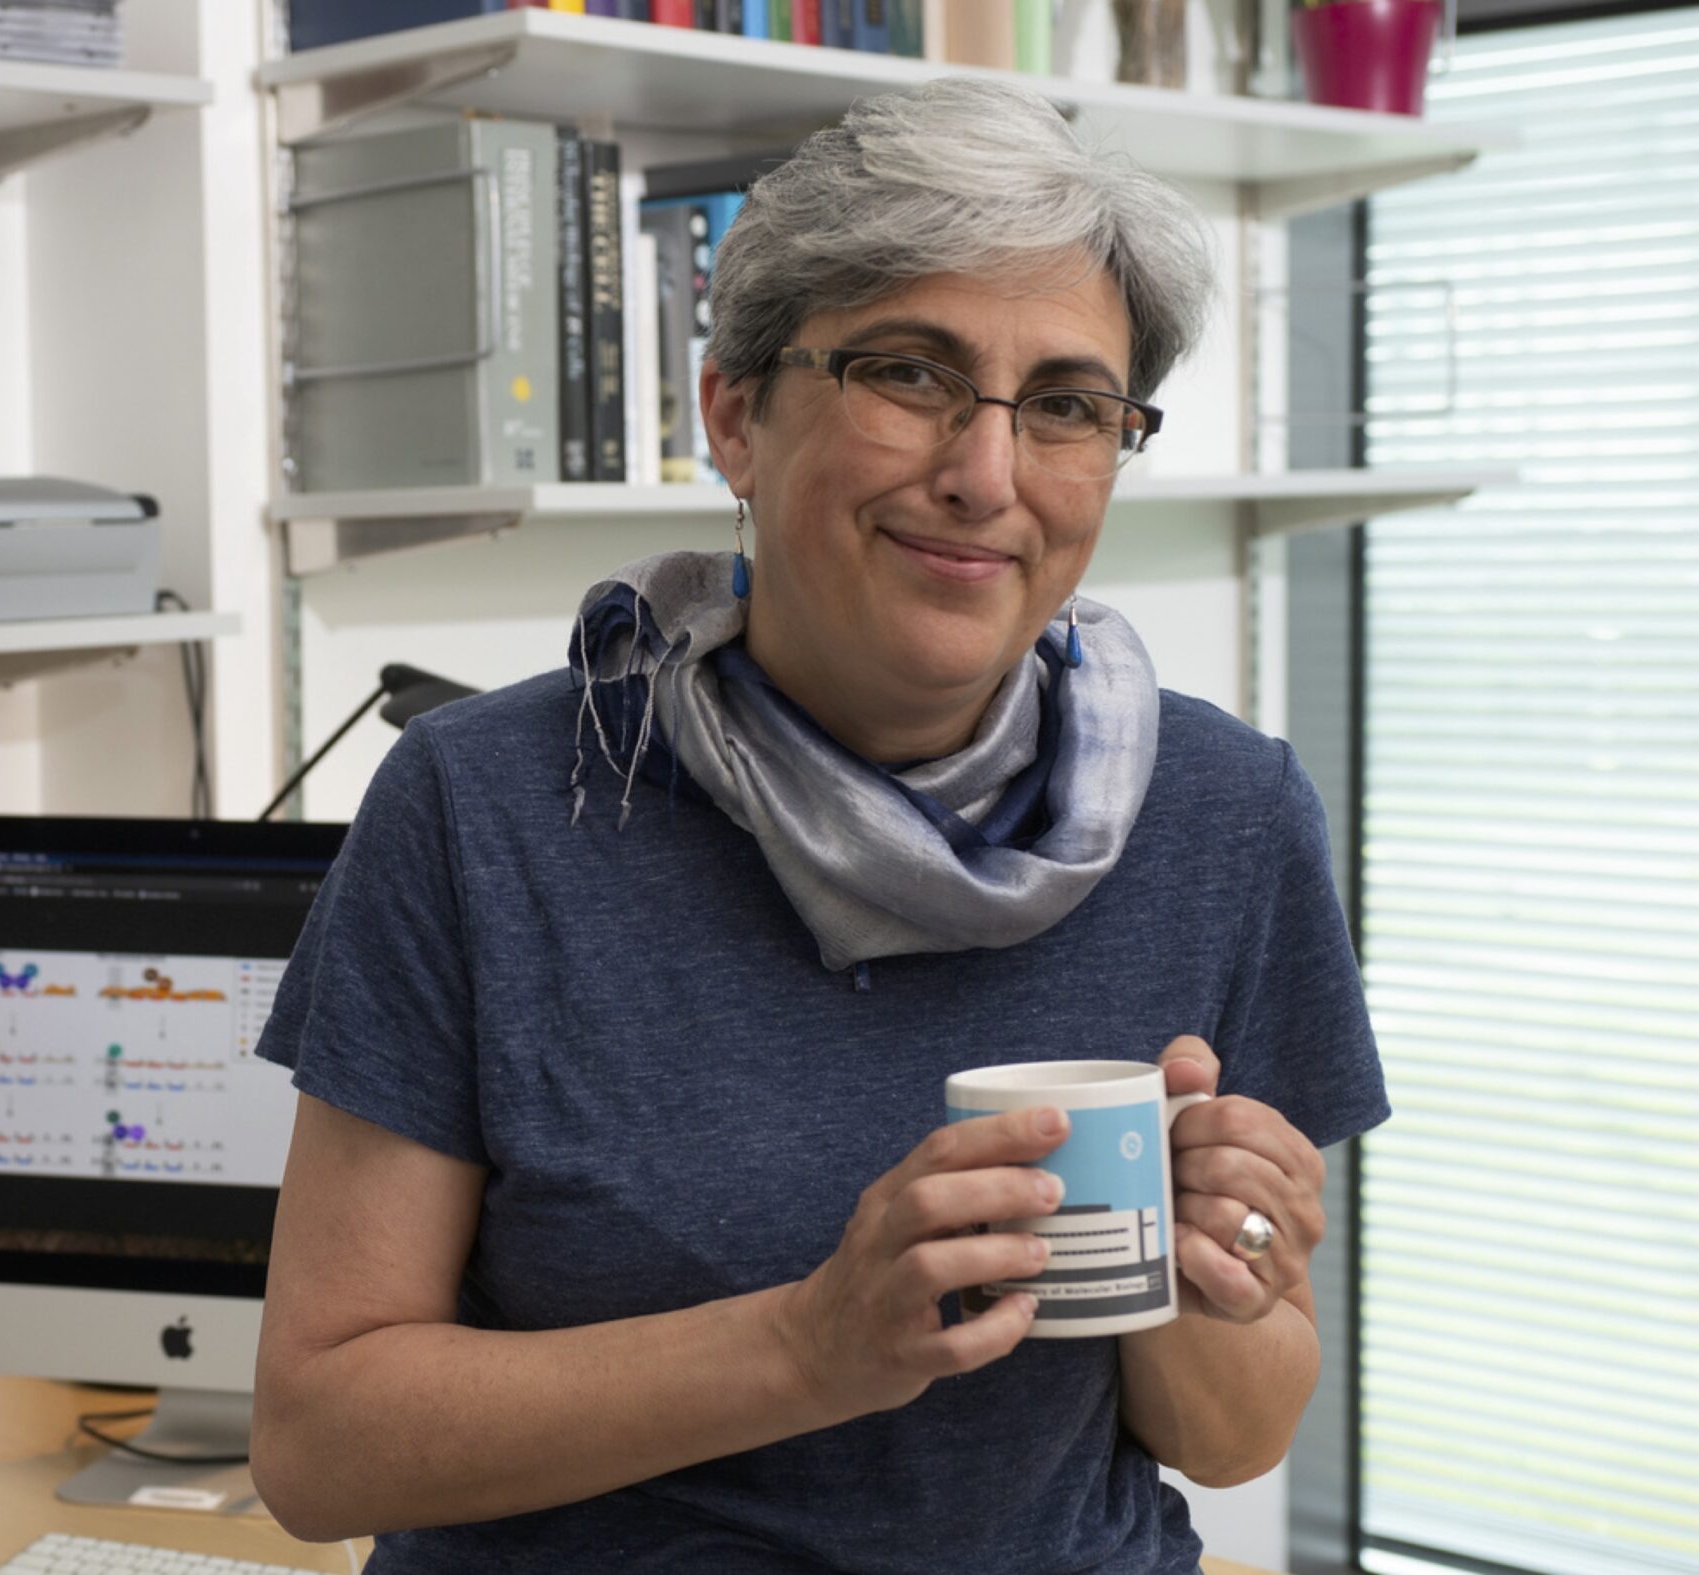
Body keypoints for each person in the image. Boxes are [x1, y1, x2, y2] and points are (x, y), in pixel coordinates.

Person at [248, 78, 1388, 1574]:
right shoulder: (492, 804)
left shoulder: (1228, 818)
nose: (986, 478)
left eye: (1063, 405)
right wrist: (806, 1346)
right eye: (910, 375)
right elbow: (323, 1445)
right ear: (737, 415)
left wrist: (1219, 1273)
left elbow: (1233, 1440)